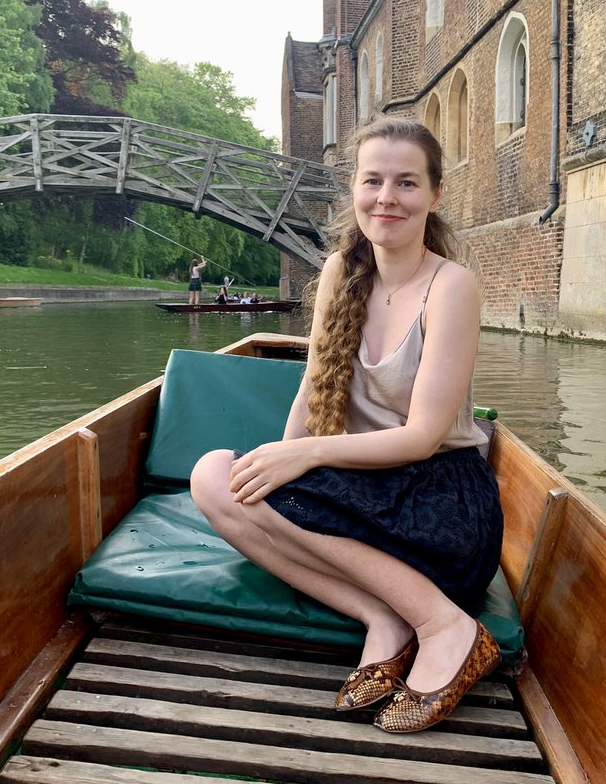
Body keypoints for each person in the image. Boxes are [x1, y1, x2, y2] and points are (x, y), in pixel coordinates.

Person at [191, 118, 502, 734]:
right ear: (354, 191)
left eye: (407, 183)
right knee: (214, 479)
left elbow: (423, 437)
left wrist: (303, 458)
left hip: (440, 503)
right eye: (373, 180)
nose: (387, 197)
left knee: (261, 476)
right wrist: (282, 456)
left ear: (434, 196)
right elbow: (314, 386)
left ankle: (447, 626)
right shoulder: (339, 271)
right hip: (365, 489)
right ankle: (383, 618)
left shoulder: (452, 285)